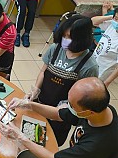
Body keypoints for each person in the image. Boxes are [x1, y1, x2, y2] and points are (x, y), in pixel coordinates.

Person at [1, 77, 118, 158]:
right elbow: (59, 114)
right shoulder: (101, 110)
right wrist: (29, 104)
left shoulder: (97, 145)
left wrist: (20, 137)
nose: (68, 106)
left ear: (88, 112)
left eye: (72, 105)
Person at [26, 15, 98, 146]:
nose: (65, 40)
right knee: (29, 136)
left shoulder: (89, 65)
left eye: (70, 37)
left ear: (82, 39)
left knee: (49, 143)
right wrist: (36, 89)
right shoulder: (55, 49)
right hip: (41, 102)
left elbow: (83, 97)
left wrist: (66, 106)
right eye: (64, 36)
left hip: (60, 114)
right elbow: (43, 71)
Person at [92, 8, 118, 87]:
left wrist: (106, 83)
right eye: (116, 18)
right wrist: (111, 17)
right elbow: (93, 21)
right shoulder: (112, 26)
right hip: (91, 66)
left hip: (101, 75)